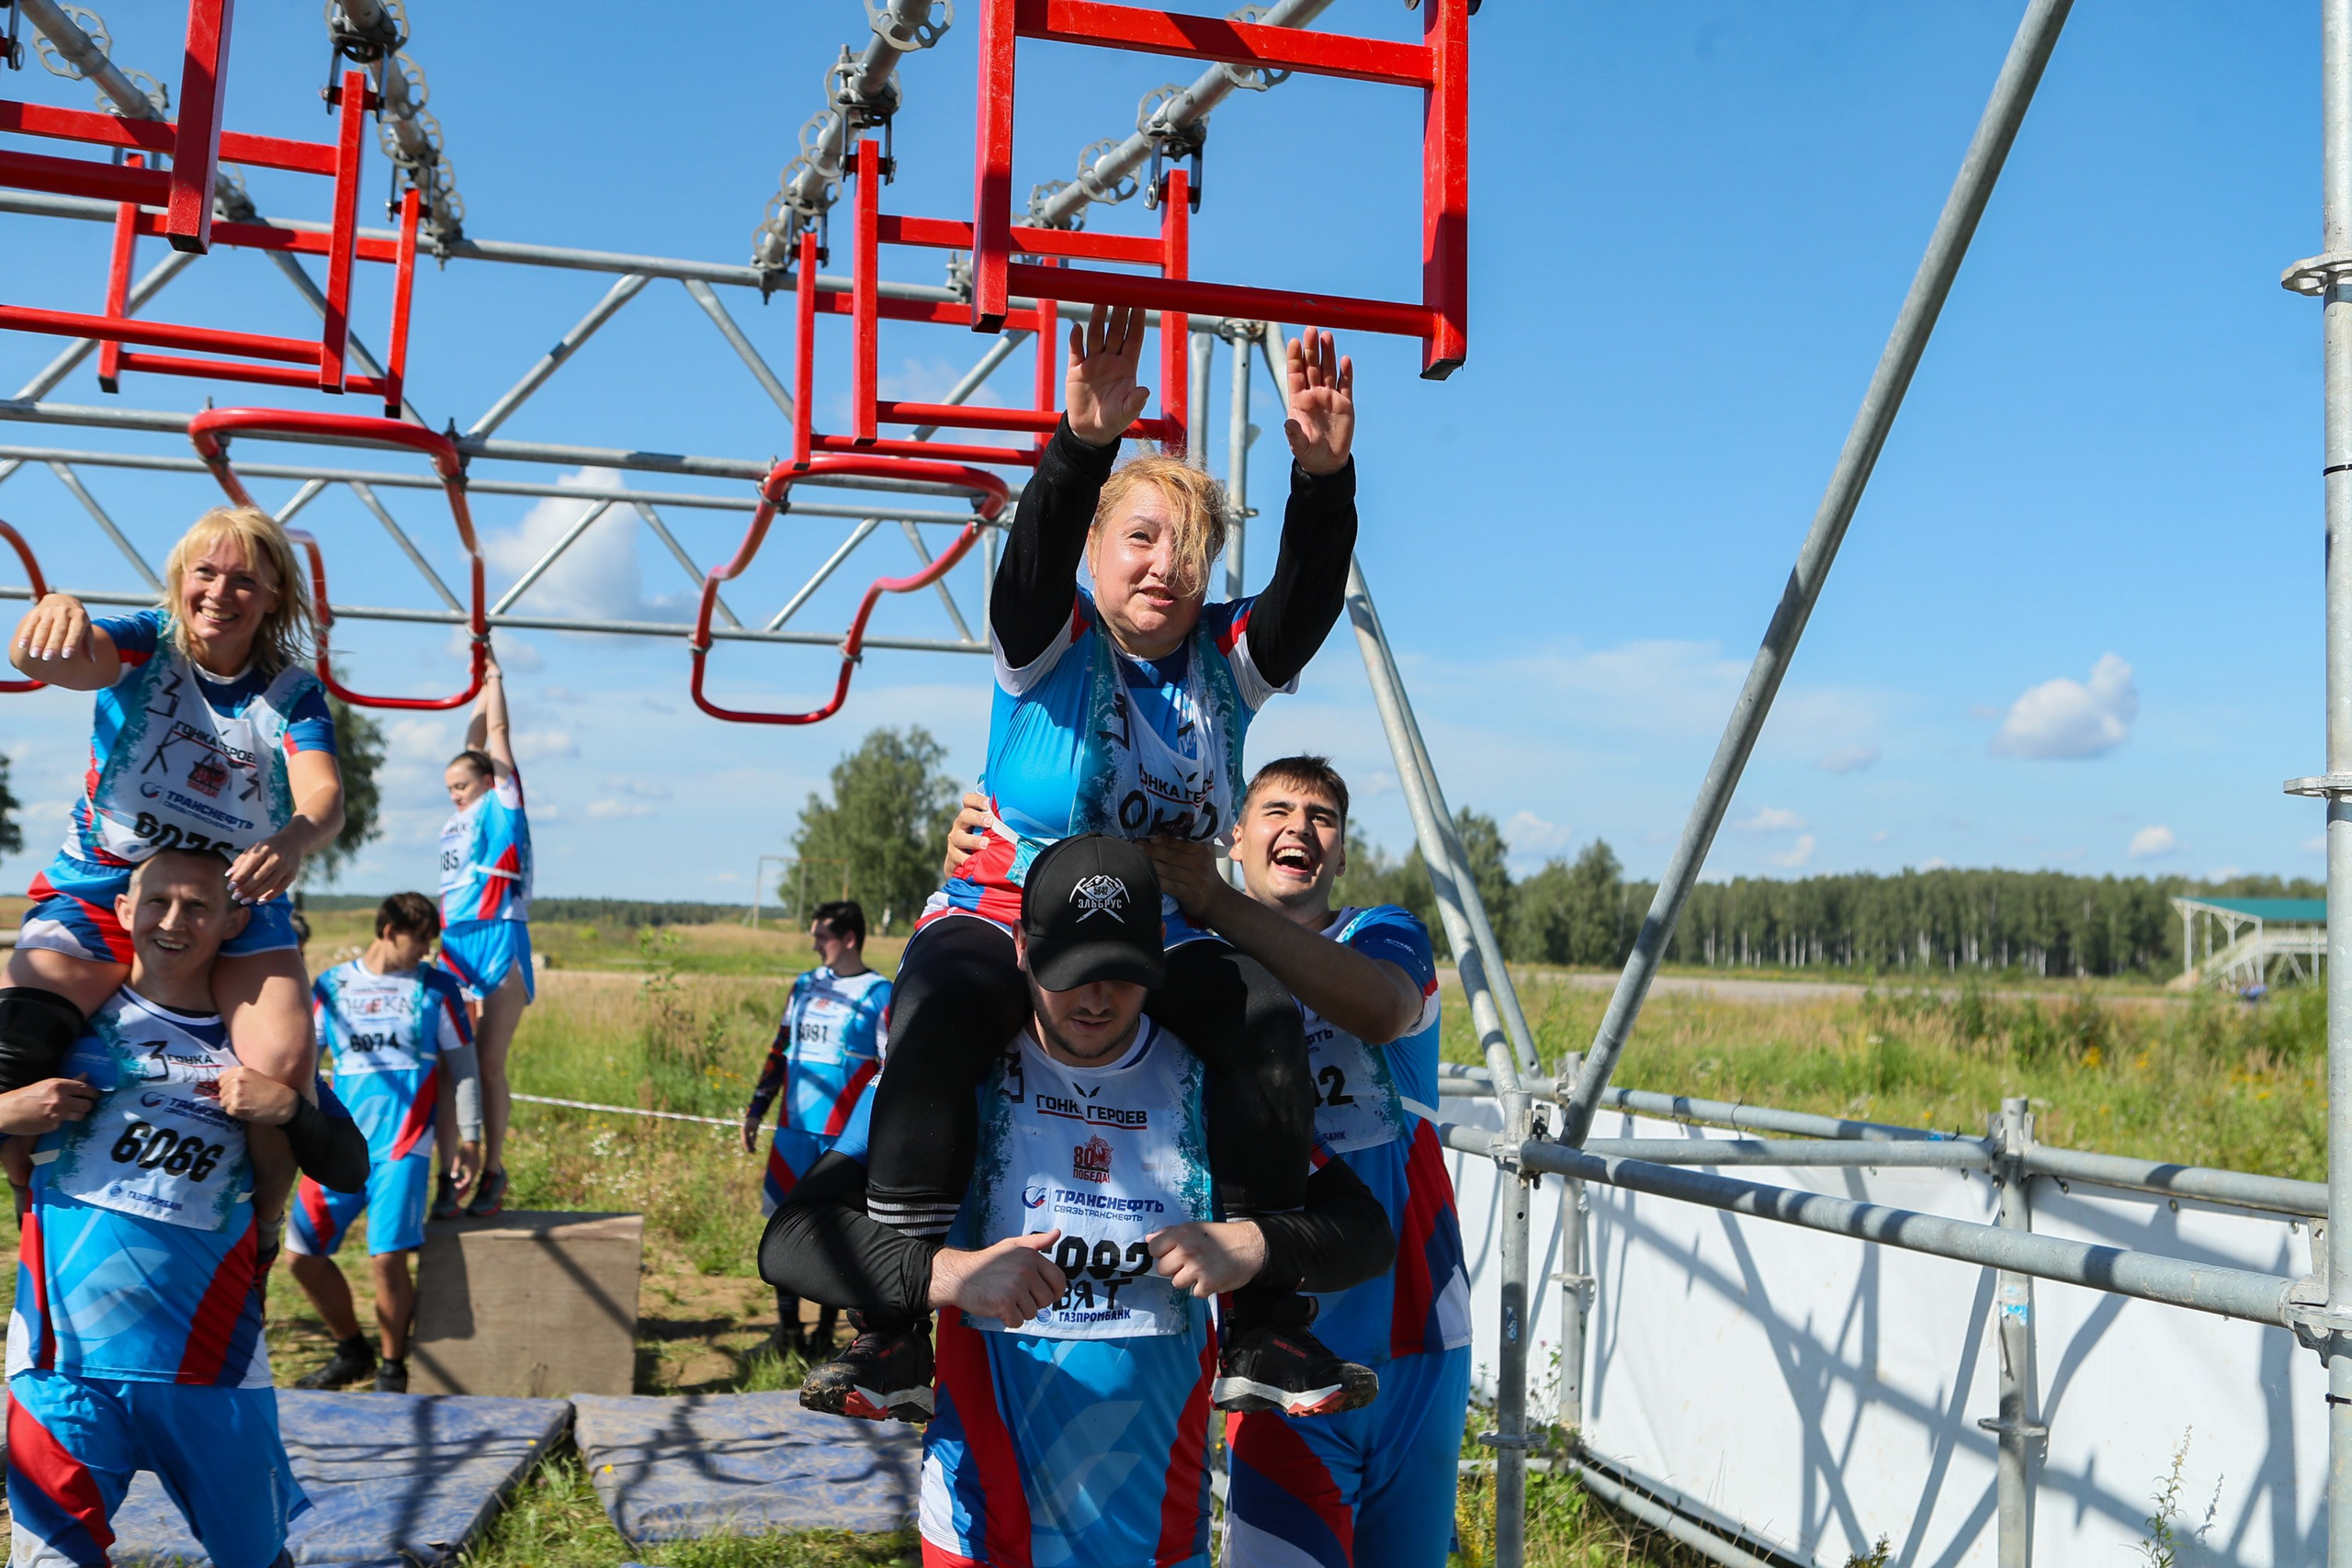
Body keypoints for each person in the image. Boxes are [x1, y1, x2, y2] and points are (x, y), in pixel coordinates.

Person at [819, 304, 1371, 1420]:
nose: (1165, 566)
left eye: (1188, 548)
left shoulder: (1226, 664)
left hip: (1153, 934)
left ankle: (1263, 1328)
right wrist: (1079, 450)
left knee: (1258, 1011)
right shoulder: (1048, 640)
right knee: (940, 1003)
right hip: (1003, 913)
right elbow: (1022, 568)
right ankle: (892, 1329)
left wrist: (1323, 479)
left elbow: (1304, 602)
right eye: (1140, 538)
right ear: (1096, 551)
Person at [761, 836, 1394, 1568]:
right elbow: (791, 1237)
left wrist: (1255, 1245)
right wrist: (948, 1275)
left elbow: (1366, 1231)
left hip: (1154, 1528)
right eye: (1072, 975)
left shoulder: (1209, 1084)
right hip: (981, 1527)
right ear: (1022, 948)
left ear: (1158, 957)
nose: (1096, 999)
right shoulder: (952, 1075)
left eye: (1122, 977)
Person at [1142, 758, 1472, 1568]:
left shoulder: (1384, 933)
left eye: (1323, 816)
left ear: (1344, 852)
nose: (1300, 827)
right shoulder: (1194, 963)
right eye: (1277, 809)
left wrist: (1217, 899)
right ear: (1236, 835)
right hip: (1280, 1339)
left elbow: (1385, 1008)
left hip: (1417, 1333)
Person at [3, 505, 346, 1247]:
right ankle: (34, 1206)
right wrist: (55, 614)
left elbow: (324, 797)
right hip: (105, 885)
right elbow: (51, 661)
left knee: (285, 1060)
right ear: (180, 581)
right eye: (206, 572)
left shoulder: (292, 693)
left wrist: (292, 837)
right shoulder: (143, 642)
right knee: (16, 1041)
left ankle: (259, 1231)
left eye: (245, 580)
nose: (221, 592)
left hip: (232, 898)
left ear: (274, 597)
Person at [7, 849, 327, 1568]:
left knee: (257, 1558)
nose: (173, 921)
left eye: (197, 906)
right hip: (63, 1368)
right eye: (156, 902)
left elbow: (339, 1155)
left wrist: (283, 1142)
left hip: (211, 1364)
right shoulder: (60, 1033)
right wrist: (8, 1109)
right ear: (123, 910)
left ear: (232, 922)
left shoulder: (255, 1049)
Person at [288, 892, 484, 1394]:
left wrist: (471, 1136)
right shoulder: (331, 986)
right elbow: (302, 1059)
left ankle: (394, 1370)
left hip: (404, 1146)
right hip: (340, 1146)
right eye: (420, 940)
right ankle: (353, 1350)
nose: (426, 951)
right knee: (301, 1254)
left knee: (387, 1259)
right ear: (390, 930)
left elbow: (463, 1068)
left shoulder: (438, 989)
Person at [741, 899, 891, 1359]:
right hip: (793, 1132)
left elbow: (892, 1069)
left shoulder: (881, 993)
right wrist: (756, 1108)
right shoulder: (804, 986)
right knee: (782, 1227)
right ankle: (787, 1332)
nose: (814, 944)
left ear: (849, 938)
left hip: (843, 1140)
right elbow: (780, 1048)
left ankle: (825, 1335)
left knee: (836, 1235)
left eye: (821, 935)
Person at [433, 649, 532, 1220]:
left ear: (488, 783)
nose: (454, 794)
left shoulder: (502, 803)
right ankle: (450, 1176)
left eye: (461, 785)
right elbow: (474, 738)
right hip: (455, 945)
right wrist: (473, 680)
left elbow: (494, 733)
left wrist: (494, 675)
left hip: (499, 939)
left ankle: (493, 1169)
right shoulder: (456, 818)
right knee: (451, 1064)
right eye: (449, 787)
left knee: (488, 1062)